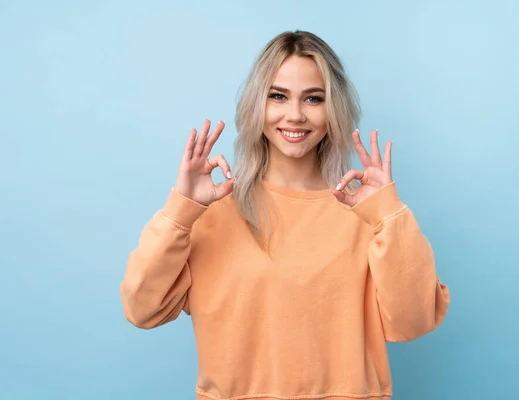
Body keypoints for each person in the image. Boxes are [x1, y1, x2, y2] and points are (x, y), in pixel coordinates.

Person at [120, 30, 450, 400]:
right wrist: (180, 210)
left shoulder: (367, 214)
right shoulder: (210, 213)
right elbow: (142, 309)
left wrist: (389, 215)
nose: (295, 115)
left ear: (333, 109)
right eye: (278, 96)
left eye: (314, 98)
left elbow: (415, 321)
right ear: (256, 105)